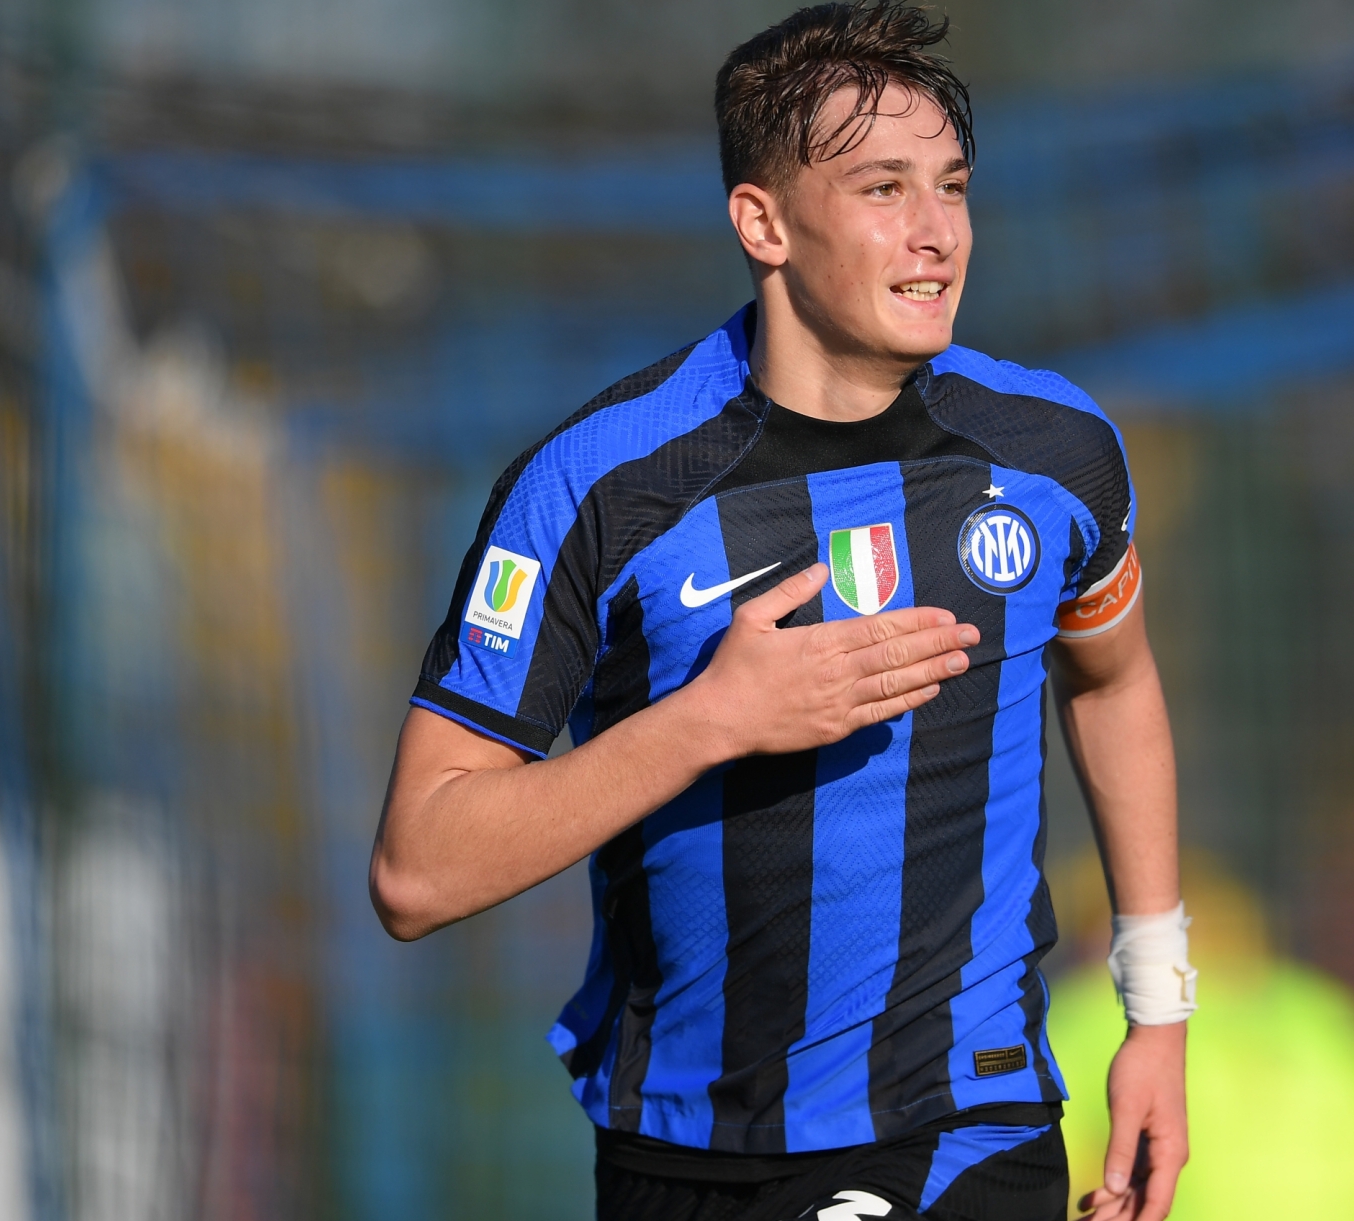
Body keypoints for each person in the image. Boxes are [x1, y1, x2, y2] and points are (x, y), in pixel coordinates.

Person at [369, 4, 1191, 1218]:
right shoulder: (600, 488)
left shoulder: (1053, 453)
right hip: (675, 1152)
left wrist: (1156, 1011)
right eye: (882, 191)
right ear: (762, 221)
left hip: (961, 1119)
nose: (936, 237)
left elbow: (1114, 681)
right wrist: (713, 719)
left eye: (951, 188)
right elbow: (416, 872)